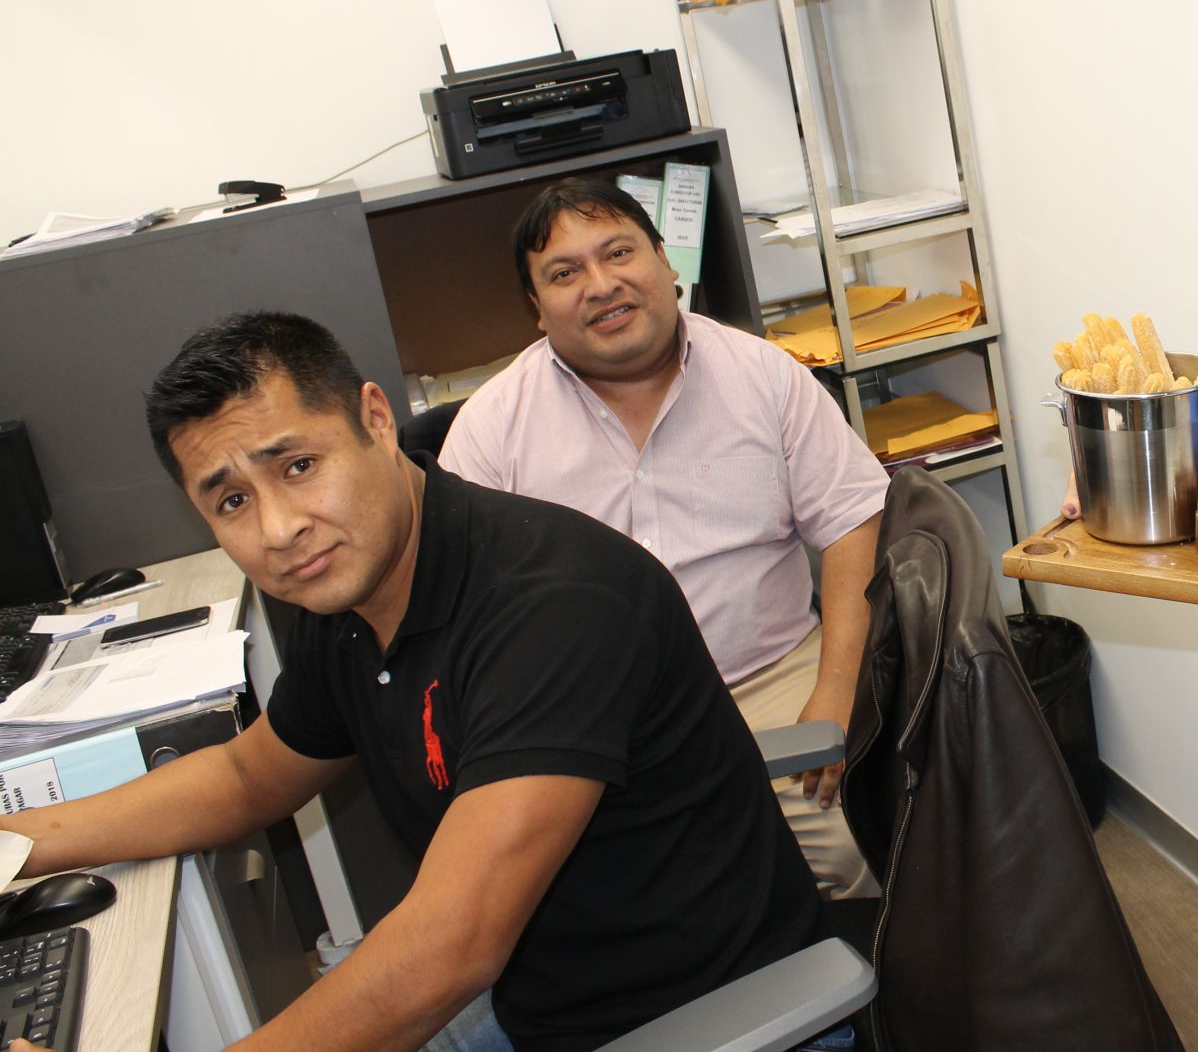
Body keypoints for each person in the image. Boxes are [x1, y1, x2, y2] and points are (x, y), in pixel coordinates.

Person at [0, 312, 823, 1052]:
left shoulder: (555, 606)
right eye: (232, 502)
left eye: (298, 466)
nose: (279, 529)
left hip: (699, 1018)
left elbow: (448, 950)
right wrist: (17, 843)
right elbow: (248, 775)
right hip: (539, 997)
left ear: (375, 419)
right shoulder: (353, 592)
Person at [438, 178, 887, 899]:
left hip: (773, 680)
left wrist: (836, 688)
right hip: (593, 724)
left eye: (618, 253)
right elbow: (463, 614)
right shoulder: (492, 429)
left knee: (859, 852)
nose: (601, 285)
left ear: (665, 260)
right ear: (537, 309)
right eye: (564, 273)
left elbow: (851, 520)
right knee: (606, 902)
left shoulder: (763, 375)